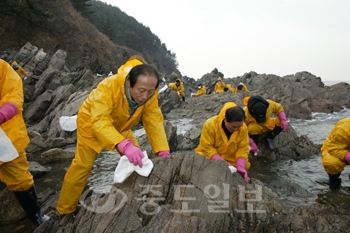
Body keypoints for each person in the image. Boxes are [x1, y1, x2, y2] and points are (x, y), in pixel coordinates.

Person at [56, 55, 171, 216]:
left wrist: (162, 150)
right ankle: (65, 210)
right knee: (82, 166)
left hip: (121, 126)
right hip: (91, 123)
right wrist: (123, 144)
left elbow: (153, 120)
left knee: (139, 161)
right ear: (130, 83)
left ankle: (135, 198)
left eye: (150, 92)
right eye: (141, 90)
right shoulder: (108, 87)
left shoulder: (150, 95)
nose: (145, 96)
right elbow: (100, 121)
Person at [0, 59, 49, 226]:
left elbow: (14, 93)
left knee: (21, 179)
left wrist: (4, 112)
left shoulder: (2, 67)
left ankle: (36, 215)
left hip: (6, 136)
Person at [195, 102, 250, 183]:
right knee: (199, 161)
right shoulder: (210, 124)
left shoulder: (243, 128)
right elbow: (206, 147)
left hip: (229, 157)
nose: (236, 129)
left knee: (246, 165)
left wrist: (240, 166)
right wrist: (221, 162)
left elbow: (243, 148)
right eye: (234, 126)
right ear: (225, 119)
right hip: (210, 156)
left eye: (239, 126)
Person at [321, 118, 350, 189]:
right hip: (333, 149)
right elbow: (334, 149)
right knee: (332, 163)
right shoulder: (344, 127)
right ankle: (334, 179)